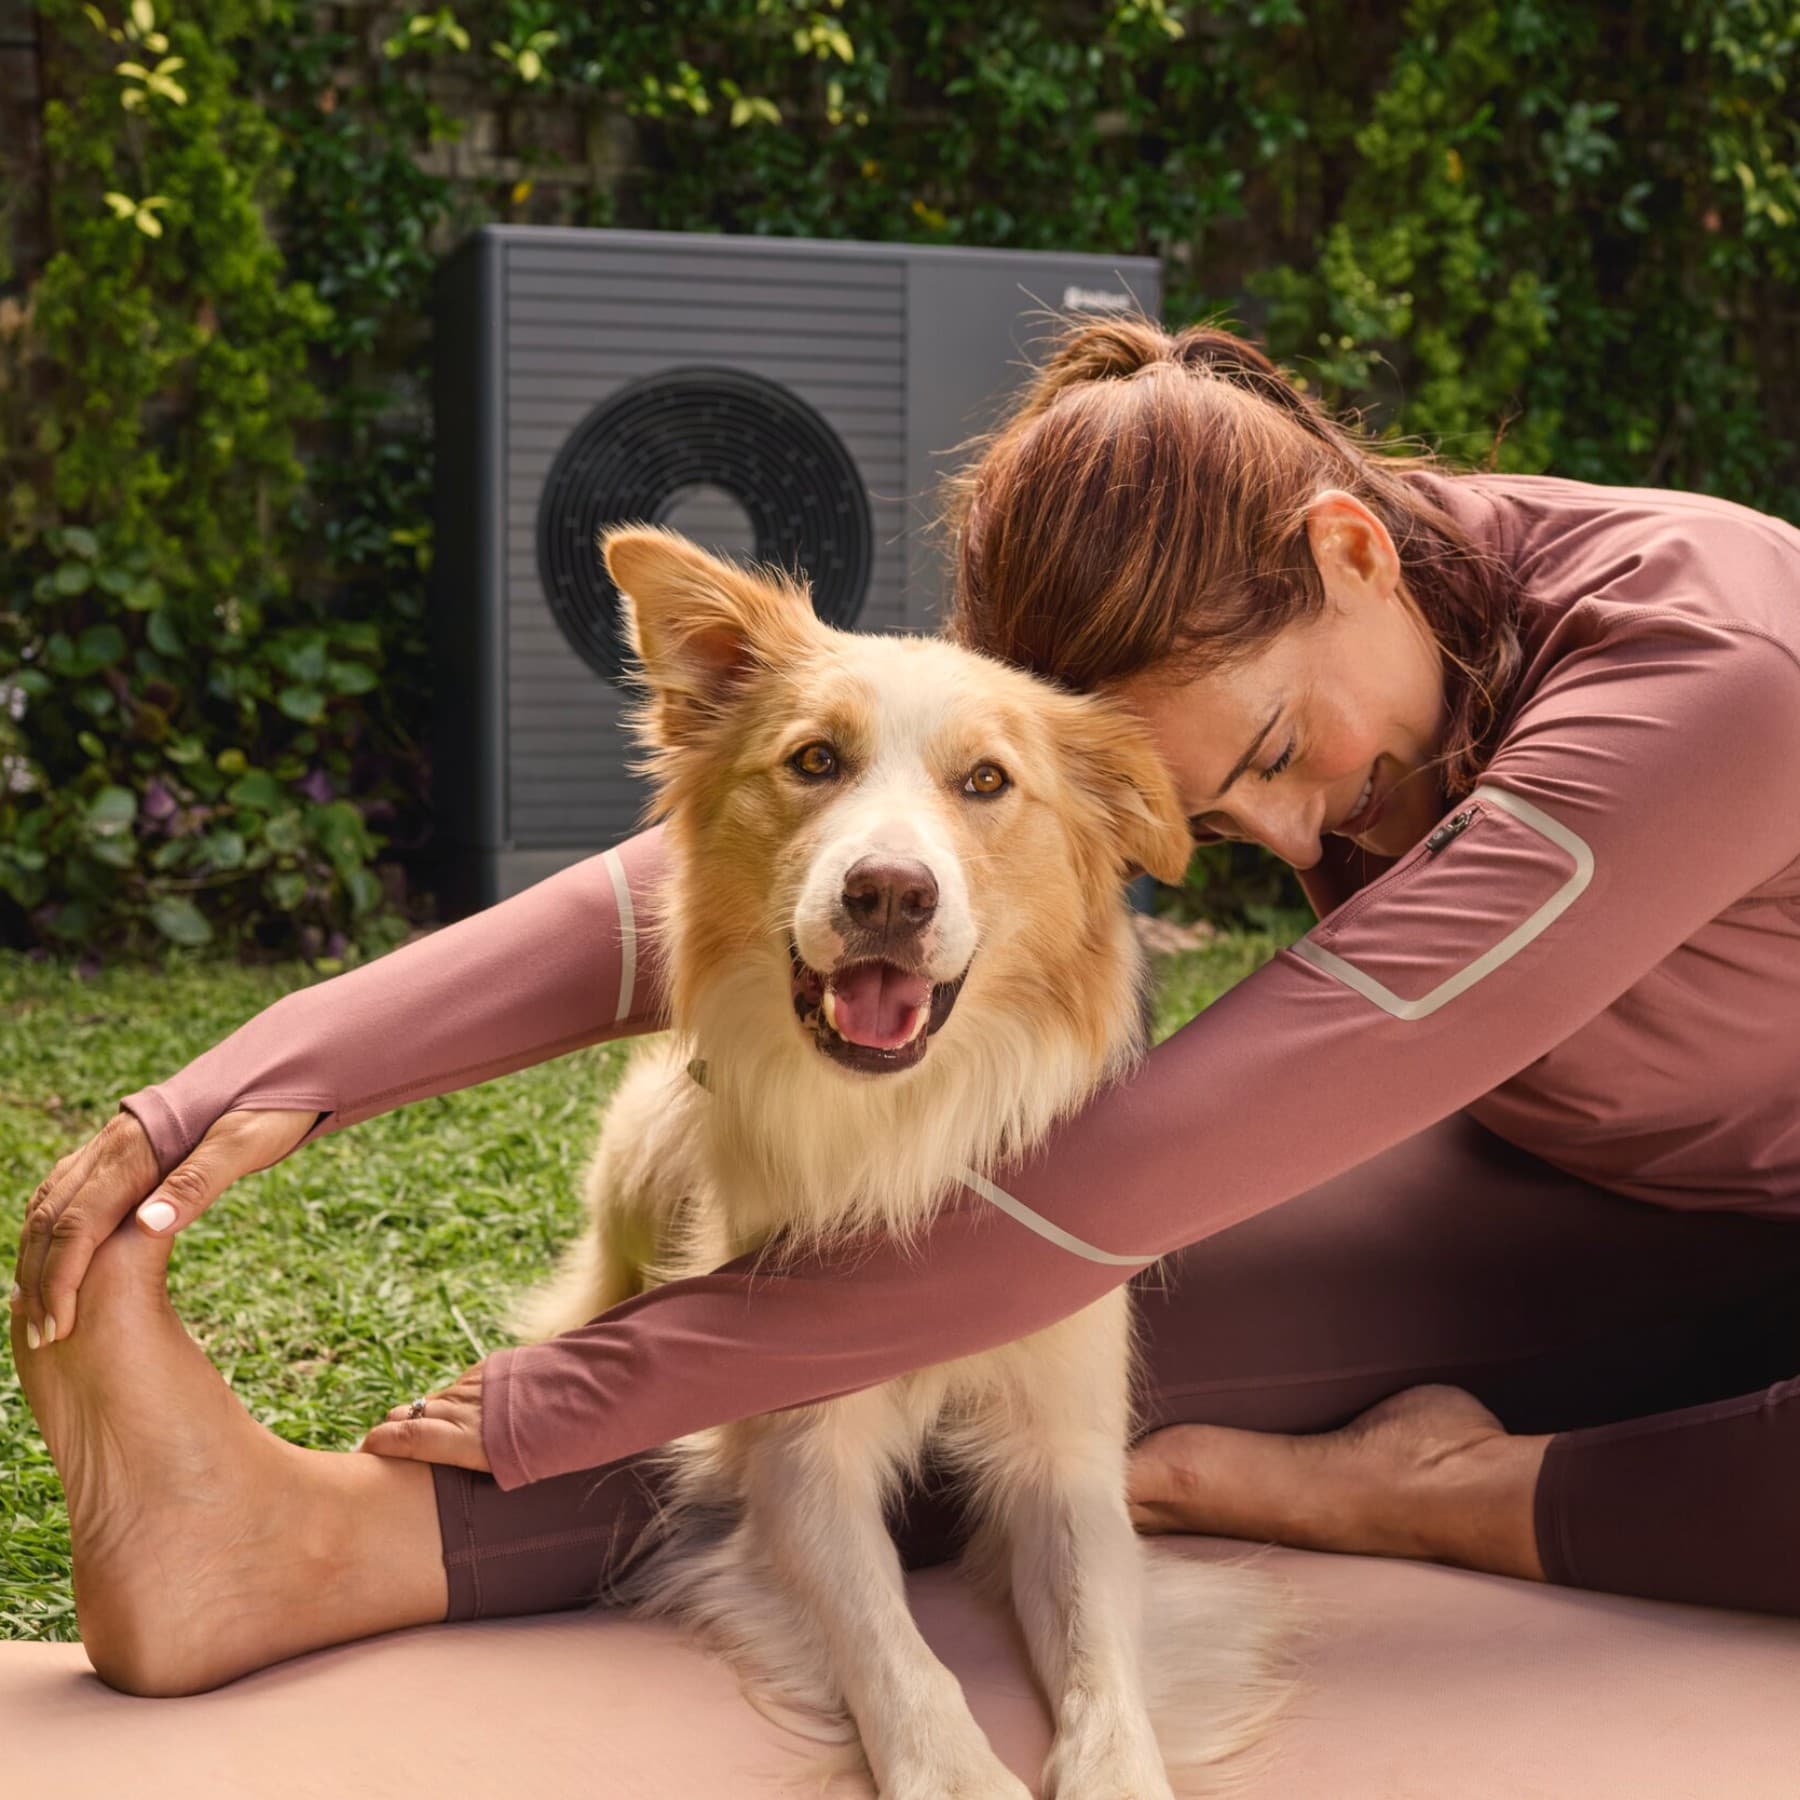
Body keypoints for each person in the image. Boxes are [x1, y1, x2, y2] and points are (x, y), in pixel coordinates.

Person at [12, 318, 1800, 1701]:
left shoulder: (1709, 685)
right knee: (933, 1337)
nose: (1265, 832)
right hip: (1593, 1199)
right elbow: (755, 862)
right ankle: (299, 1551)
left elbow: (1127, 1178)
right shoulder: (1256, 629)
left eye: (1266, 757)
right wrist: (254, 1079)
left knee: (1010, 1261)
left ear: (1347, 546)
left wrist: (590, 1385)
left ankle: (1415, 1493)